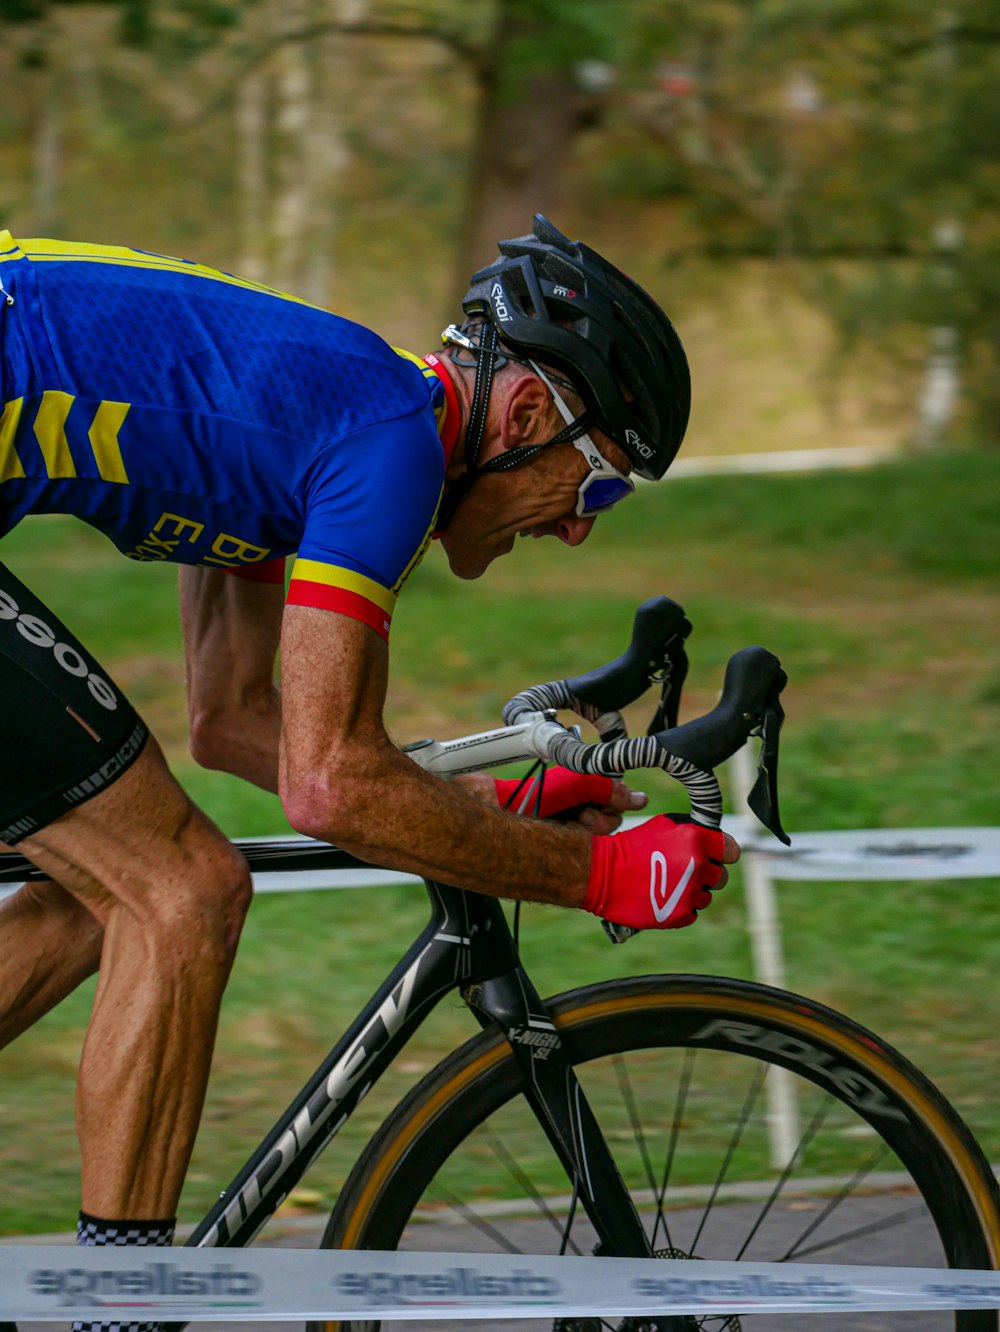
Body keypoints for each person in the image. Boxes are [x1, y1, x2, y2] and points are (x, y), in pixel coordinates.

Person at [0, 214, 737, 1328]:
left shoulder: (332, 420)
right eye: (597, 489)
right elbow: (331, 785)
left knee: (98, 890)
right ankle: (124, 1308)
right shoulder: (389, 448)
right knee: (180, 890)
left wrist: (492, 812)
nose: (582, 533)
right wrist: (598, 877)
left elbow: (241, 721)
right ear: (528, 414)